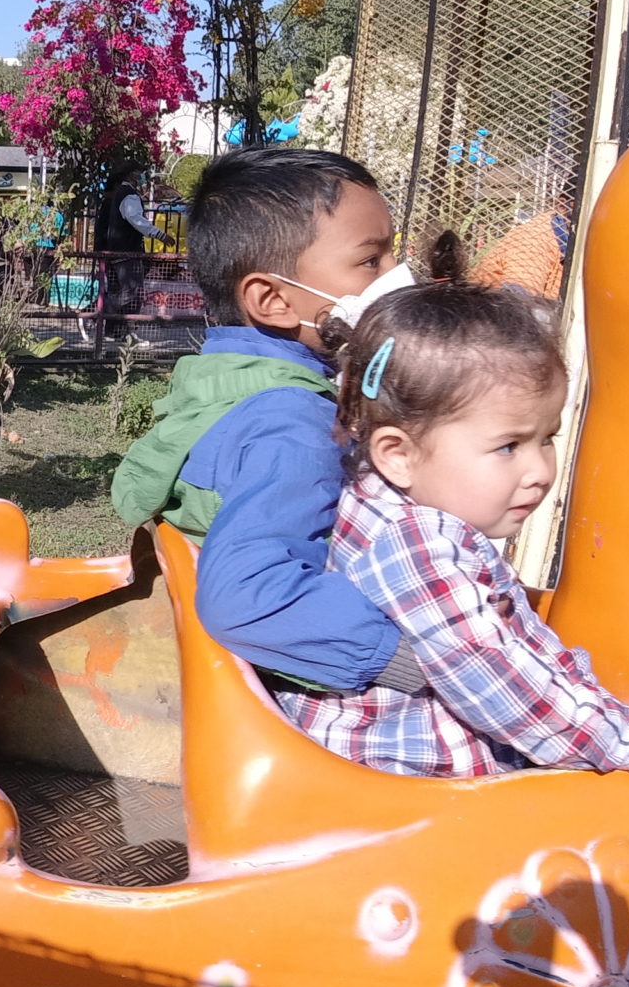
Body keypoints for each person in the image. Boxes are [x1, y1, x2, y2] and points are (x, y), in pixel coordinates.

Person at [279, 282, 629, 820]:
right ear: (398, 455)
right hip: (406, 796)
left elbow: (524, 651)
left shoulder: (403, 510)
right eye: (508, 446)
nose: (540, 471)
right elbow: (504, 684)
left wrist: (624, 723)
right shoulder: (416, 547)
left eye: (547, 438)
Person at [109, 148, 423, 694]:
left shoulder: (225, 381)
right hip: (303, 700)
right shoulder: (296, 426)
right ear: (272, 299)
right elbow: (248, 598)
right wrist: (417, 663)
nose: (398, 279)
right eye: (372, 261)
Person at [93, 165, 163, 338]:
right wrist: (158, 234)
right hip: (126, 252)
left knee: (121, 291)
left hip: (115, 251)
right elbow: (136, 219)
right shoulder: (128, 195)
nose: (142, 177)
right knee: (132, 291)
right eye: (139, 173)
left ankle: (116, 331)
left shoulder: (118, 197)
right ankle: (95, 311)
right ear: (130, 175)